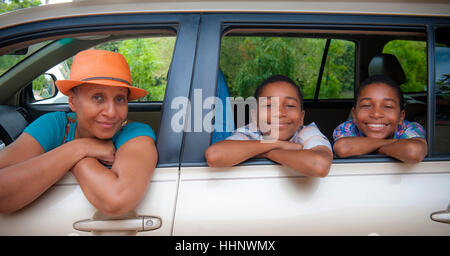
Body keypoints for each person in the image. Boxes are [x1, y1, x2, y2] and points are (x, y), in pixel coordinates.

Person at [0, 49, 158, 216]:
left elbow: (117, 199)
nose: (111, 112)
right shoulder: (55, 125)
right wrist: (78, 149)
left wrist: (77, 160)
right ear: (73, 102)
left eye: (120, 99)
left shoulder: (135, 134)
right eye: (98, 97)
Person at [205, 75, 333, 177]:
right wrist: (277, 144)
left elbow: (318, 165)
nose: (280, 112)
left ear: (301, 118)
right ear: (254, 117)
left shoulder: (307, 132)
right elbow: (215, 155)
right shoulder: (250, 131)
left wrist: (267, 153)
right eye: (269, 105)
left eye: (289, 105)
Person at [333, 75, 427, 163]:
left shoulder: (409, 127)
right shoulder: (348, 127)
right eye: (366, 105)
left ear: (401, 117)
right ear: (354, 114)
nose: (376, 114)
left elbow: (413, 152)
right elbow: (342, 148)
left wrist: (371, 148)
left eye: (388, 106)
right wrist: (393, 143)